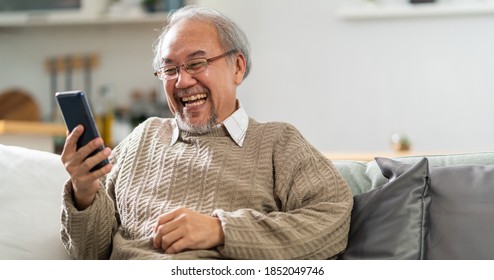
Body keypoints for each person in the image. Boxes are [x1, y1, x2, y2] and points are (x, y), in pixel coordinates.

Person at [59, 5, 353, 260]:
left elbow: (333, 219)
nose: (182, 81)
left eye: (196, 64)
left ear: (237, 67)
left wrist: (220, 230)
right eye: (169, 69)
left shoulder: (279, 143)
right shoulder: (142, 138)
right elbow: (90, 254)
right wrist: (84, 192)